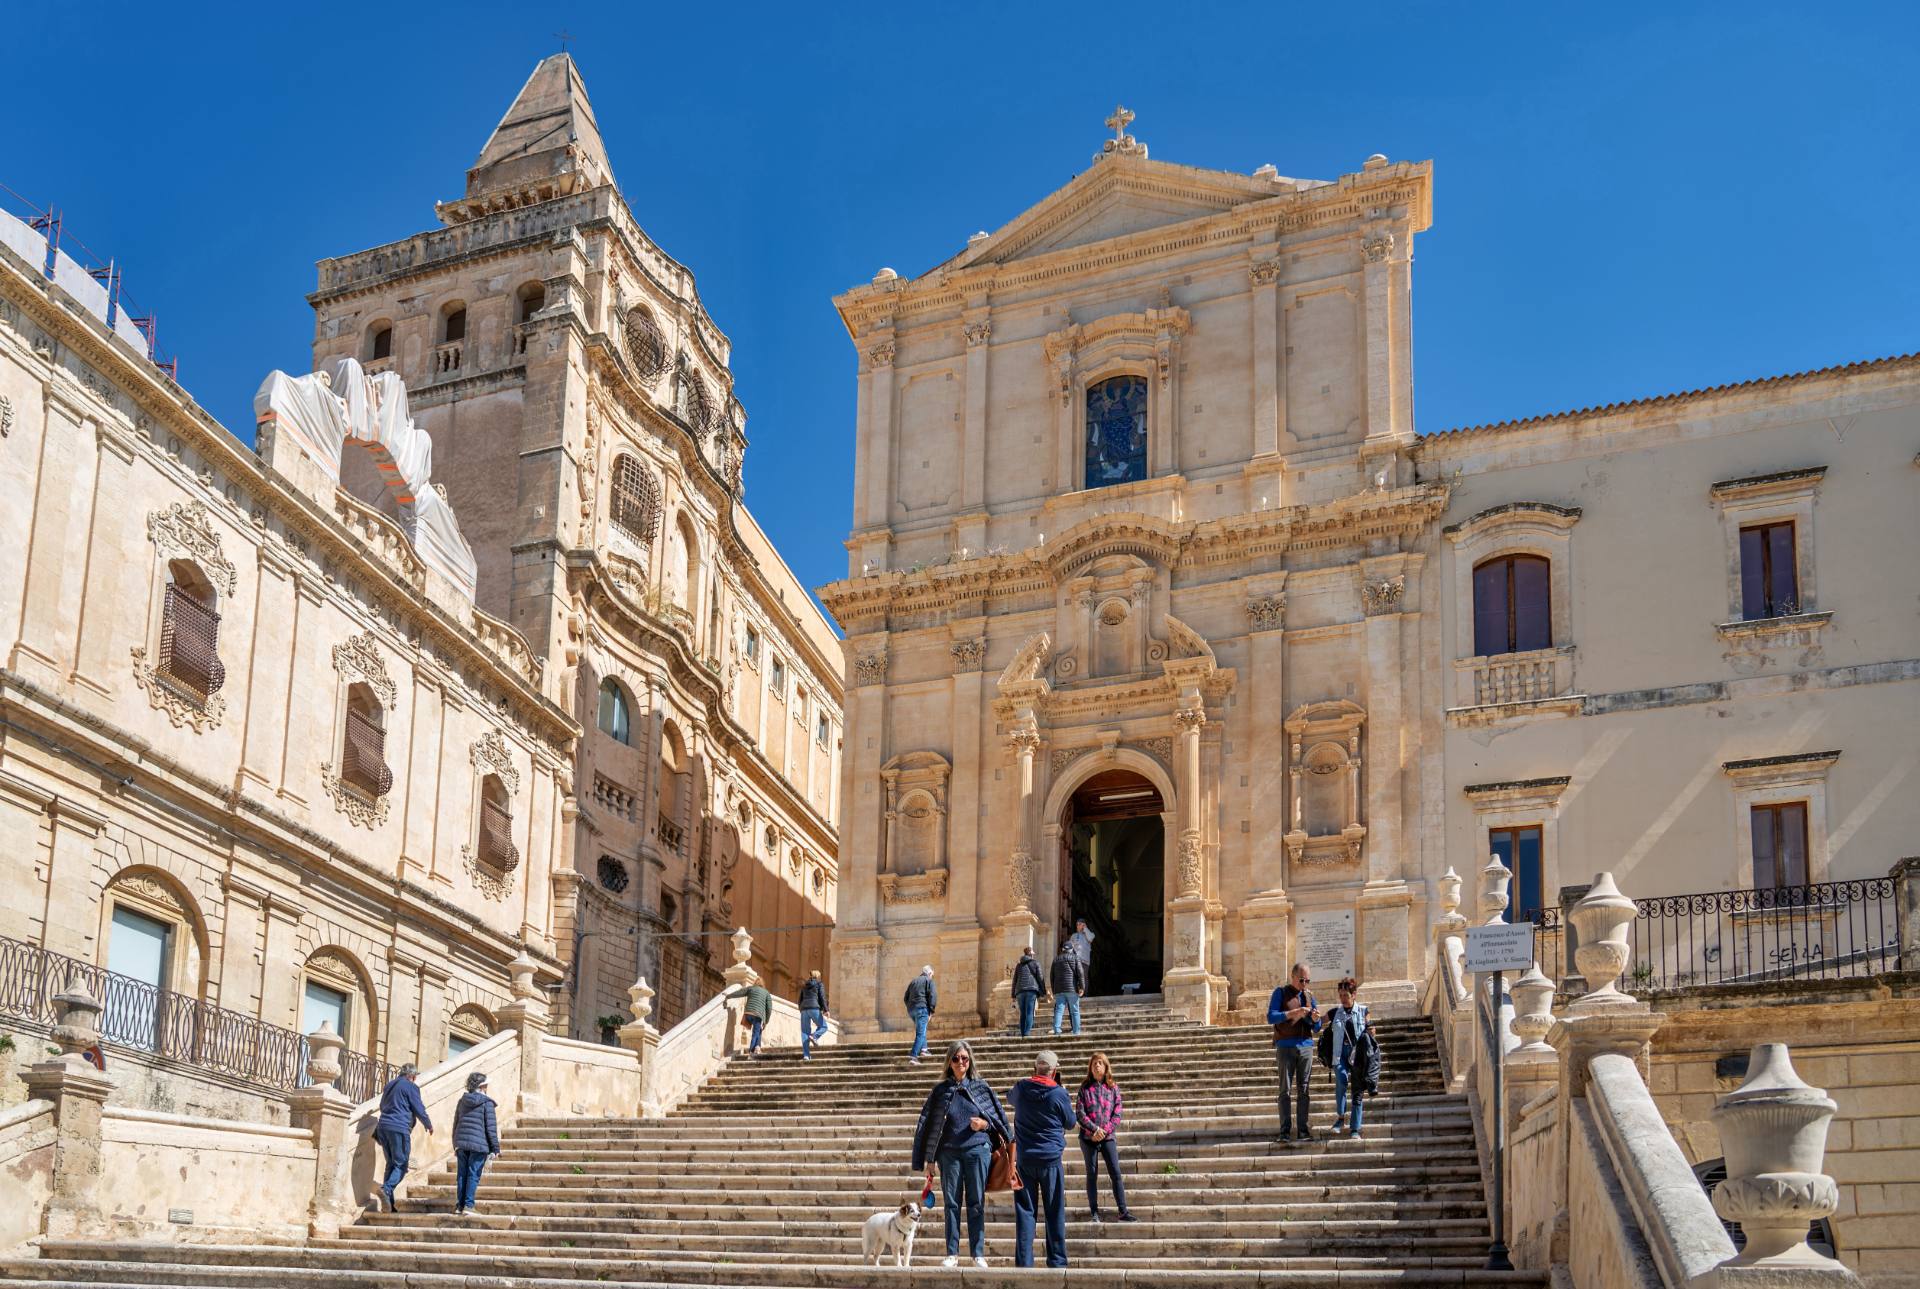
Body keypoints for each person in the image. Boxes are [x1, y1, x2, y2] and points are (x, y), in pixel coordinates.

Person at [911, 1039, 1011, 1269]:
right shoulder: (940, 1091)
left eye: (964, 1058)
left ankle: (977, 1253)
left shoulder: (981, 1087)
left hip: (978, 1151)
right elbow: (929, 1124)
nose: (960, 1063)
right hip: (949, 1154)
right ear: (949, 1061)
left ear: (970, 1061)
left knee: (976, 1203)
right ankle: (952, 1253)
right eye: (955, 1058)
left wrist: (984, 1125)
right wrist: (929, 1160)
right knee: (951, 1204)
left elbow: (998, 1121)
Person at [1008, 1051, 1076, 1268]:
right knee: (1054, 1211)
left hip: (1025, 1159)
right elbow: (1070, 1122)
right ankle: (1057, 1261)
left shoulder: (1021, 1088)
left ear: (1035, 1068)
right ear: (1054, 1071)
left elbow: (1010, 1098)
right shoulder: (1058, 1094)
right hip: (1050, 1160)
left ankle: (1024, 1263)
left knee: (1025, 1213)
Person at [1076, 1051, 1136, 1222]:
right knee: (1092, 1173)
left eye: (1100, 1063)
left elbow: (1117, 1114)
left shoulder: (1113, 1088)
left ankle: (1123, 1211)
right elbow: (1080, 1113)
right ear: (1090, 1068)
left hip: (1108, 1137)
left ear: (1106, 1066)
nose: (1097, 1066)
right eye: (1094, 1063)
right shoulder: (1084, 1088)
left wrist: (1105, 1131)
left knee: (1115, 1172)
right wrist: (1094, 1130)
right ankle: (1094, 1212)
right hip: (1089, 1138)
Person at [1267, 962, 1320, 1143]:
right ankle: (1284, 1131)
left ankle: (1303, 1131)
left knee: (1304, 1090)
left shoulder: (1309, 996)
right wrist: (1293, 1013)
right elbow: (1271, 1016)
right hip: (1285, 1045)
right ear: (1293, 976)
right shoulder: (1280, 993)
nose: (1305, 984)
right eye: (1302, 980)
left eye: (1308, 980)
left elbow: (1317, 1027)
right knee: (1285, 1090)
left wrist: (1314, 1019)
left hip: (1305, 1046)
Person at [1322, 977, 1380, 1140]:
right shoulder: (1335, 1012)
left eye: (1346, 995)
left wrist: (1371, 1031)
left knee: (1357, 1090)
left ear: (1354, 994)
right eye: (1340, 995)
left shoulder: (1363, 1011)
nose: (1342, 998)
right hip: (1340, 1053)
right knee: (1341, 1078)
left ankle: (1355, 1128)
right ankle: (1340, 1118)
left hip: (1358, 1054)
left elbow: (1370, 1028)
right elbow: (1318, 1022)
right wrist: (1312, 1017)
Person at [373, 1063, 433, 1212]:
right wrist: (428, 1124)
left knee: (391, 1164)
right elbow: (418, 1107)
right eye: (415, 1077)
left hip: (383, 1127)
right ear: (412, 1076)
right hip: (399, 1127)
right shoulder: (411, 1087)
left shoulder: (389, 1085)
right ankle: (386, 1189)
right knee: (401, 1165)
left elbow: (382, 1106)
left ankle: (389, 1205)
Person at [450, 1070, 500, 1216]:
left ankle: (460, 1206)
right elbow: (491, 1128)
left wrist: (455, 1143)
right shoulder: (487, 1103)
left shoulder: (462, 1101)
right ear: (482, 1086)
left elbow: (456, 1123)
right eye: (486, 1085)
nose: (487, 1088)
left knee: (462, 1174)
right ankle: (469, 1205)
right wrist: (495, 1148)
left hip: (462, 1143)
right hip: (479, 1144)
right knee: (473, 1174)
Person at [727, 979, 773, 1056]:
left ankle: (758, 1047)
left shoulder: (751, 988)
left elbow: (740, 992)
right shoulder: (766, 993)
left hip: (748, 1014)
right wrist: (766, 1021)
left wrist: (729, 995)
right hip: (758, 1015)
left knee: (758, 1030)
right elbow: (769, 1008)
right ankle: (751, 1051)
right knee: (755, 1032)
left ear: (755, 983)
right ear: (763, 984)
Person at [1011, 947, 1047, 1038]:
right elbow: (1040, 977)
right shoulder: (1035, 963)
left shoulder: (1019, 965)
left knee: (1023, 1013)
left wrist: (1013, 994)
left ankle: (1023, 1033)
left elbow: (1014, 980)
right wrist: (1043, 991)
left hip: (1019, 991)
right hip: (1031, 989)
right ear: (1031, 954)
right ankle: (1027, 1033)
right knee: (1029, 1012)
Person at [1050, 945, 1086, 1036]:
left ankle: (1057, 1030)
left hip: (1059, 989)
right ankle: (1076, 1031)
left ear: (1063, 949)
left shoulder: (1056, 959)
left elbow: (1052, 976)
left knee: (1059, 1011)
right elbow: (1080, 973)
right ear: (1071, 949)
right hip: (1072, 989)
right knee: (1075, 1011)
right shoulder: (1075, 958)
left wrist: (1054, 990)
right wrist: (1082, 987)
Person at [904, 965, 937, 1064]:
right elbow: (933, 995)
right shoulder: (929, 981)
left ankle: (924, 1050)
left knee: (922, 1029)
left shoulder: (913, 982)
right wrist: (931, 1011)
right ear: (930, 973)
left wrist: (911, 1007)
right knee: (920, 1033)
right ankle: (913, 1056)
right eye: (932, 975)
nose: (932, 977)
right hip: (922, 1008)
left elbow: (905, 998)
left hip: (911, 1010)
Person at [797, 969, 830, 1061]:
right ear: (818, 976)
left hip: (804, 1009)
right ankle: (814, 1036)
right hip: (814, 1007)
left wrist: (801, 1008)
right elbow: (822, 997)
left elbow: (800, 999)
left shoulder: (804, 986)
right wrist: (826, 1010)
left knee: (804, 1032)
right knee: (824, 1026)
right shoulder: (819, 984)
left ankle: (806, 1055)